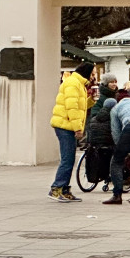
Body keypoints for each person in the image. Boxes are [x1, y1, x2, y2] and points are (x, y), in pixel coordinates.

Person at [48, 63, 94, 202]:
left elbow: (79, 106)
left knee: (70, 159)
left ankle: (65, 189)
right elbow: (72, 108)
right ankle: (57, 188)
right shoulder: (73, 84)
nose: (93, 77)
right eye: (92, 74)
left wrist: (91, 101)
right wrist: (78, 128)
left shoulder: (78, 84)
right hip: (65, 125)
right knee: (67, 159)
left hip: (67, 124)